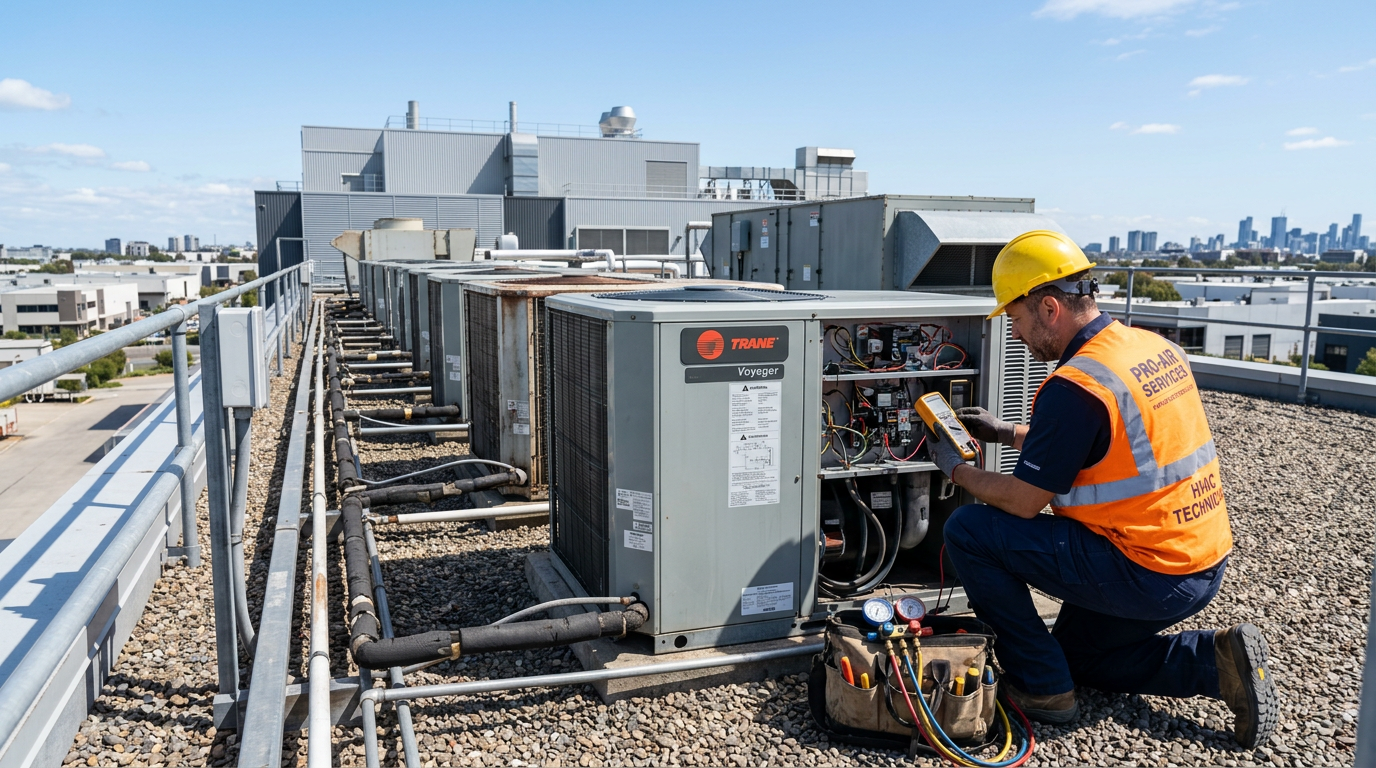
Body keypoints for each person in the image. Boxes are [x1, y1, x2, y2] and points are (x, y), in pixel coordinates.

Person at [923, 230, 1277, 748]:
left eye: (1016, 319)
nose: (1016, 334)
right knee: (1080, 657)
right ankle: (1215, 662)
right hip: (1199, 560)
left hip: (1144, 569)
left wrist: (954, 468)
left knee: (970, 529)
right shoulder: (1149, 347)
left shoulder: (1074, 385)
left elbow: (1024, 502)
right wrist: (1013, 433)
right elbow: (1113, 445)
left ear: (1048, 307)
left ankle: (1043, 689)